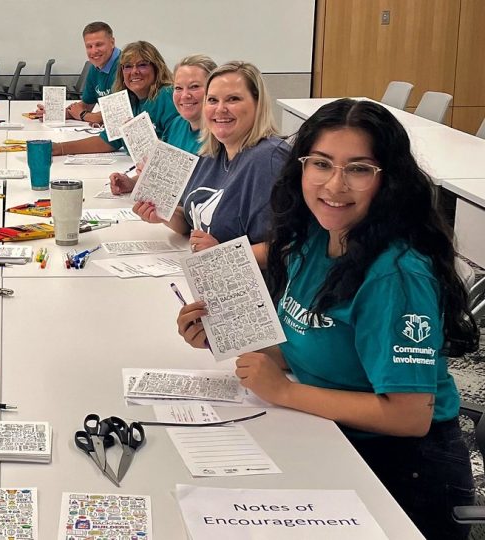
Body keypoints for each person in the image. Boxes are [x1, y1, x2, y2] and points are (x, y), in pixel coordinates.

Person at [177, 98, 479, 540]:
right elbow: (308, 342)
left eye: (358, 169)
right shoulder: (315, 238)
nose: (334, 185)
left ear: (387, 180)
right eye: (321, 163)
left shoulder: (394, 276)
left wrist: (282, 391)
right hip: (332, 434)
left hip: (403, 469)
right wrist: (221, 334)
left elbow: (409, 415)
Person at [133, 61, 288, 265]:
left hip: (251, 289)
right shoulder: (211, 154)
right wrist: (162, 213)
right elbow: (191, 222)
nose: (220, 109)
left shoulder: (267, 160)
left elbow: (287, 248)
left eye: (233, 99)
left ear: (258, 104)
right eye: (213, 100)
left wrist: (224, 254)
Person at [108, 54, 217, 191]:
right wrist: (133, 183)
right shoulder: (176, 125)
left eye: (194, 87)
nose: (185, 95)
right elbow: (169, 176)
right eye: (178, 88)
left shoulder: (220, 136)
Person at [53, 41, 179, 157]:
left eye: (142, 65)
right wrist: (58, 148)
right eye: (128, 66)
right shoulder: (123, 100)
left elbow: (175, 151)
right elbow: (107, 141)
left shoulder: (167, 96)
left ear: (157, 68)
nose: (134, 71)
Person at [65, 21, 121, 124]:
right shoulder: (95, 68)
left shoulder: (126, 67)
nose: (94, 51)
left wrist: (83, 115)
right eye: (89, 46)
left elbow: (116, 115)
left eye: (99, 45)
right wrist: (54, 114)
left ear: (112, 42)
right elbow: (86, 105)